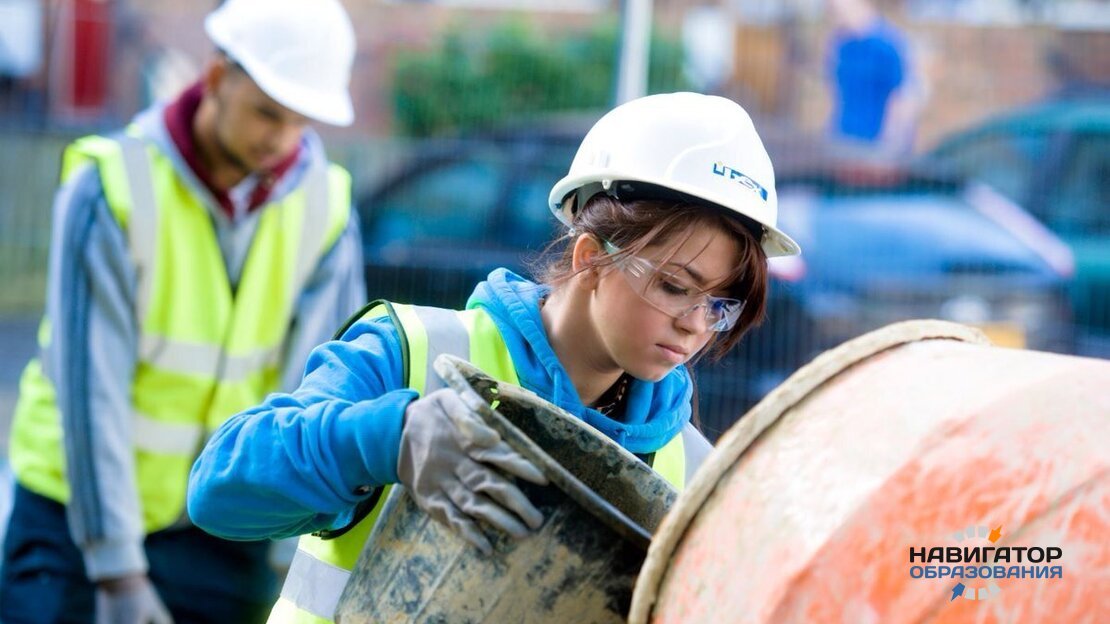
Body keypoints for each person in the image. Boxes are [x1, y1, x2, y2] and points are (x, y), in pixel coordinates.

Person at [187, 92, 802, 624]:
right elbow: (218, 491)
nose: (695, 325)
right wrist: (384, 439)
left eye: (720, 305)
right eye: (674, 286)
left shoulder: (688, 476)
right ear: (590, 258)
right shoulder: (415, 357)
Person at [0, 0, 365, 622]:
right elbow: (92, 394)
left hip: (222, 525)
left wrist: (287, 556)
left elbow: (315, 389)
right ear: (217, 78)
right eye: (266, 112)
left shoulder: (325, 208)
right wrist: (117, 574)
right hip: (74, 524)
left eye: (299, 121)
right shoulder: (112, 185)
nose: (279, 139)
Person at [825, 0, 924, 154]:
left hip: (874, 146)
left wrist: (891, 145)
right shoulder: (841, 45)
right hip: (842, 141)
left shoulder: (888, 43)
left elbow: (905, 99)